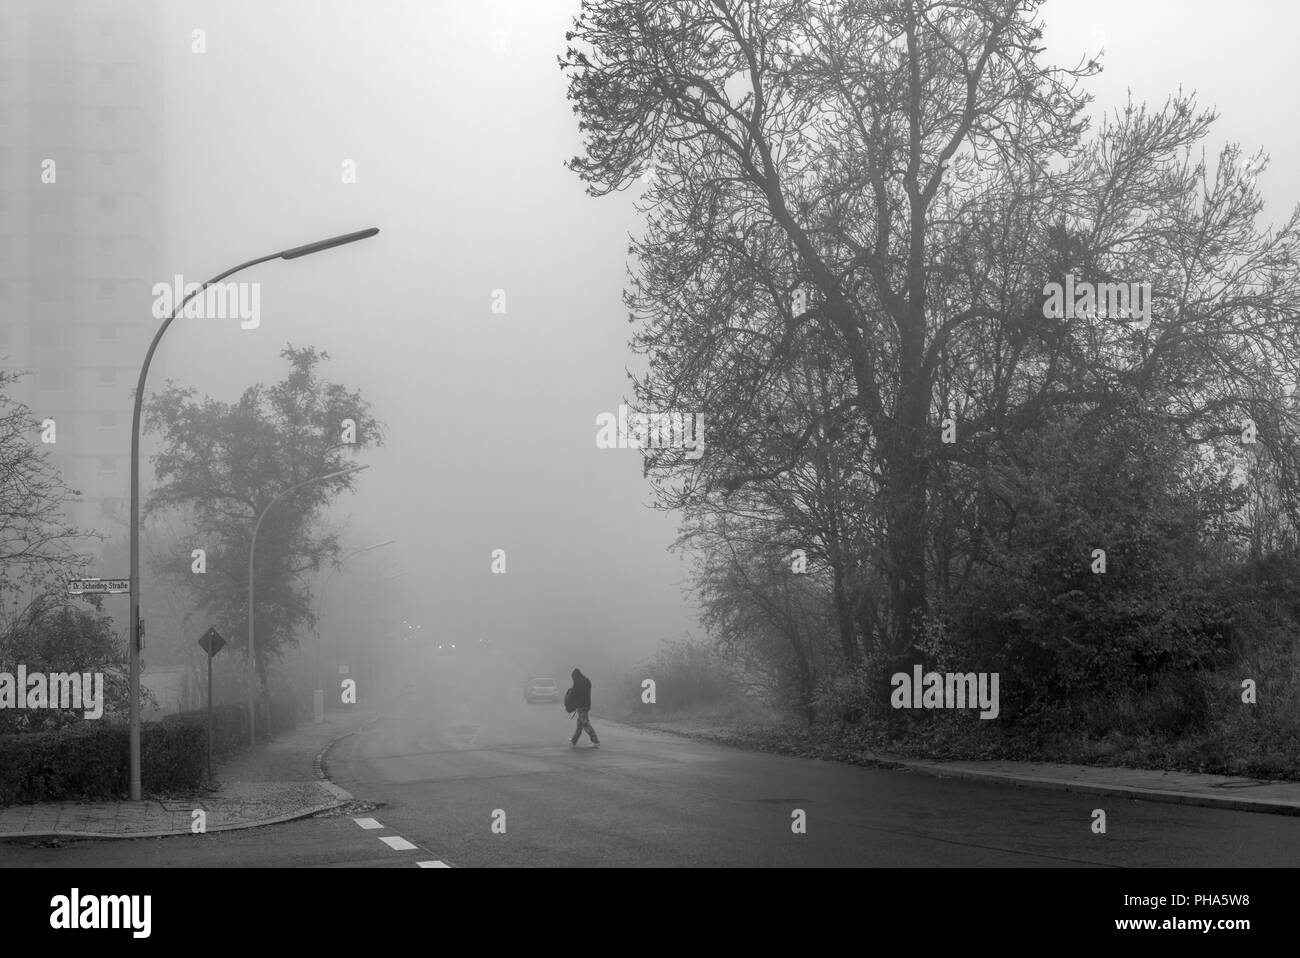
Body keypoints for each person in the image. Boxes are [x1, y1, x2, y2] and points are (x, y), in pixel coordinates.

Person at [569, 668, 599, 748]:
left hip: (581, 706)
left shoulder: (577, 682)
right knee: (580, 724)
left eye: (573, 678)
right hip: (587, 705)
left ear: (575, 676)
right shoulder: (586, 681)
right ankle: (574, 741)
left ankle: (595, 741)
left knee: (585, 724)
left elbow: (574, 694)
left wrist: (572, 704)